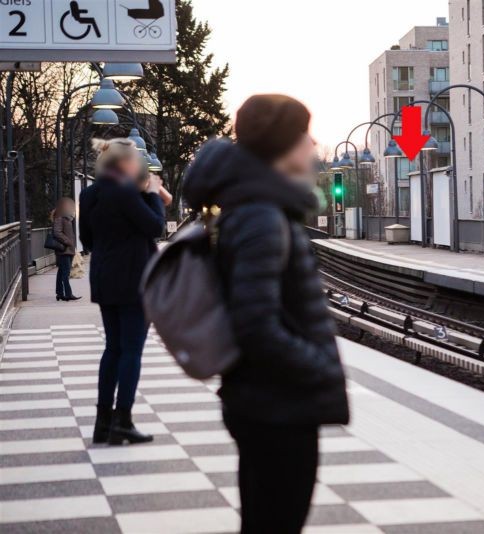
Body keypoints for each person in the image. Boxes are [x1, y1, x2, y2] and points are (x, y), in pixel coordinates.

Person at [183, 95, 349, 534]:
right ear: (283, 145)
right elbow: (255, 323)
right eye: (305, 135)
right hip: (278, 404)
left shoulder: (251, 207)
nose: (313, 145)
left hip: (261, 398)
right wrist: (319, 366)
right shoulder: (261, 216)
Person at [79, 138, 166, 446]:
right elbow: (156, 226)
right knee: (131, 350)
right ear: (124, 163)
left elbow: (86, 237)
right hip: (133, 279)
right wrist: (153, 194)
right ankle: (123, 421)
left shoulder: (90, 194)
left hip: (104, 277)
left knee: (112, 349)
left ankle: (102, 423)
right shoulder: (127, 192)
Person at [52, 197, 80, 301]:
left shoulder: (67, 218)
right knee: (66, 273)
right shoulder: (59, 217)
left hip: (68, 249)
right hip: (64, 250)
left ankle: (59, 293)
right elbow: (57, 232)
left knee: (61, 272)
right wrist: (68, 241)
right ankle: (68, 294)